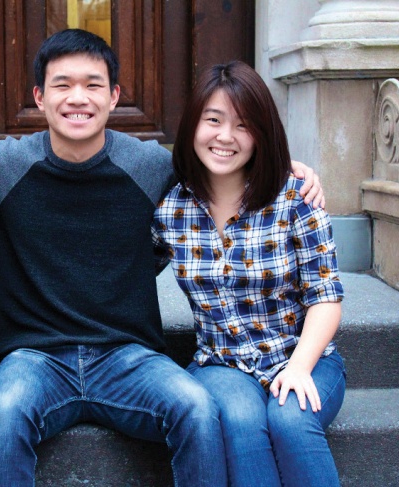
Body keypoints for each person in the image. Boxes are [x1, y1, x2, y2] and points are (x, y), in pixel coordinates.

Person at [0, 30, 324, 486]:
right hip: (34, 357)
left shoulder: (151, 167)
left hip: (128, 354)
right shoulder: (2, 164)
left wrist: (288, 168)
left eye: (93, 85)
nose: (78, 99)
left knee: (197, 410)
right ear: (39, 97)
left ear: (114, 96)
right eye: (62, 86)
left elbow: (220, 164)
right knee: (1, 415)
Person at [152, 60, 346, 487]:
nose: (225, 137)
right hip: (222, 363)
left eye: (242, 125)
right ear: (192, 126)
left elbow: (326, 295)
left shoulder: (295, 197)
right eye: (213, 120)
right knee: (240, 419)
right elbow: (123, 267)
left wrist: (297, 368)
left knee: (291, 419)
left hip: (305, 356)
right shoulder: (171, 211)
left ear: (261, 133)